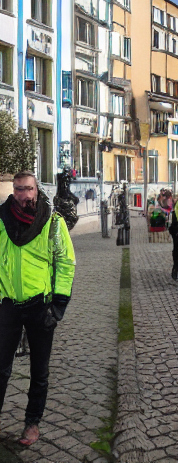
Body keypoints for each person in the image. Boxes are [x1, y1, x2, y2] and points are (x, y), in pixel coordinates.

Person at [0, 171, 75, 446]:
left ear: (37, 190)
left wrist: (58, 306)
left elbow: (66, 263)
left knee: (39, 371)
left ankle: (32, 424)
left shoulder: (53, 223)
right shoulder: (0, 219)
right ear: (13, 191)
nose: (24, 195)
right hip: (7, 306)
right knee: (1, 369)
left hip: (40, 307)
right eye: (19, 189)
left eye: (29, 189)